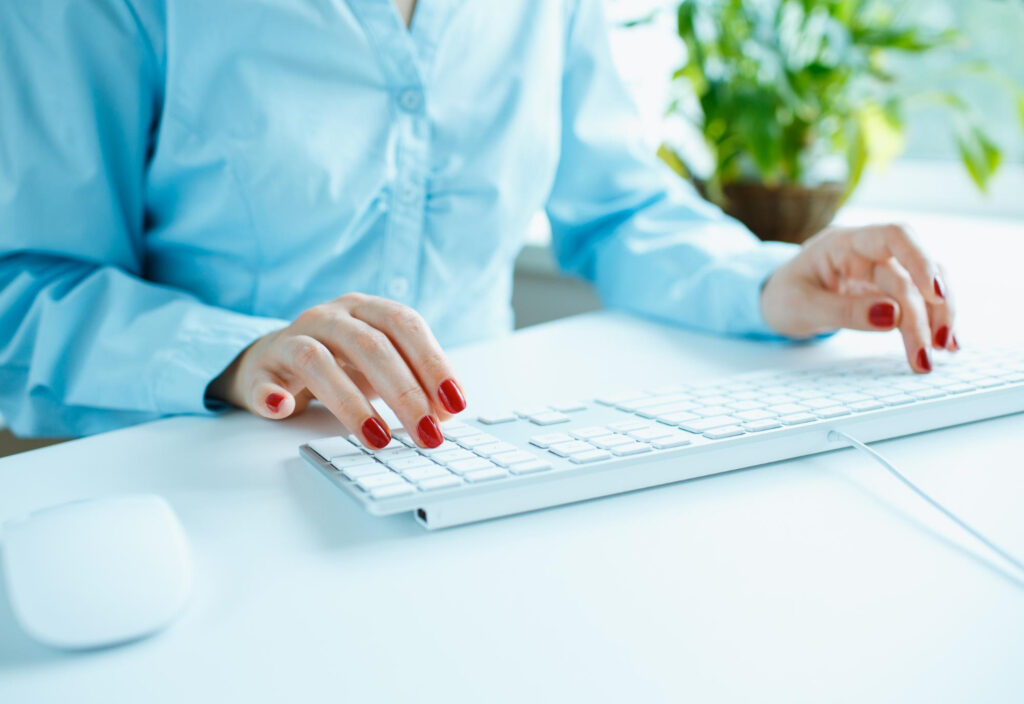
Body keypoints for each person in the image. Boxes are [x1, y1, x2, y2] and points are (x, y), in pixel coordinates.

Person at [0, 0, 956, 451]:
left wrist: (767, 279)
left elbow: (620, 207)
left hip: (478, 462)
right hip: (197, 480)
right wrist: (242, 352)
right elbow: (28, 294)